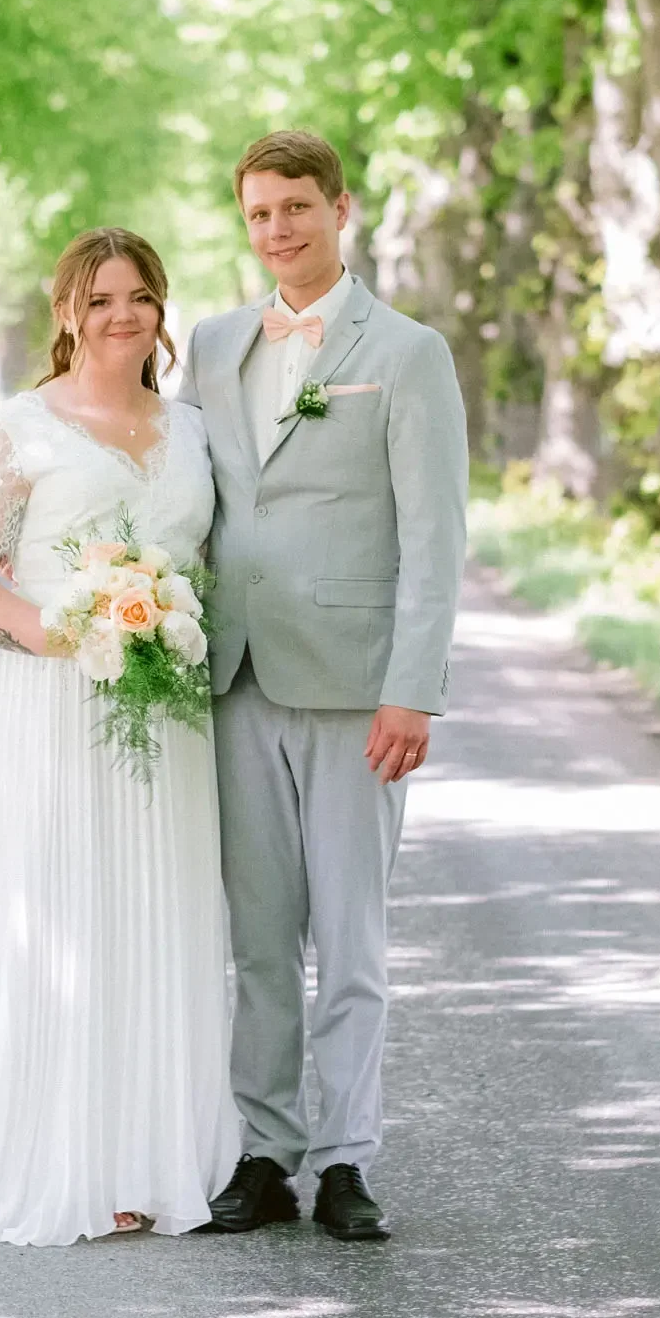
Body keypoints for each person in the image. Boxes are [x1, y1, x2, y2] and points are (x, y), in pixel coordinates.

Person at [0, 227, 241, 1246]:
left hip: (166, 711)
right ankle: (61, 1160)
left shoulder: (193, 430)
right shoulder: (16, 431)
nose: (123, 315)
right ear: (66, 313)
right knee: (64, 910)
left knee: (157, 914)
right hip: (49, 701)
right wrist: (51, 628)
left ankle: (150, 1156)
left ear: (161, 308)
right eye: (100, 299)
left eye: (139, 295)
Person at [186, 130, 469, 1242]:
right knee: (256, 939)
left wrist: (415, 687)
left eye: (296, 207)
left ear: (340, 210)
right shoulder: (211, 346)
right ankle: (265, 1153)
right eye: (258, 213)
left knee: (350, 938)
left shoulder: (405, 352)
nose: (277, 230)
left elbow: (434, 534)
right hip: (237, 675)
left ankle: (347, 1157)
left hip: (359, 688)